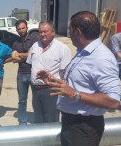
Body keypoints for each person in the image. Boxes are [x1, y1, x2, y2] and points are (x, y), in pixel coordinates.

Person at [37, 11, 120, 146]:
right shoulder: (83, 52)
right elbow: (79, 84)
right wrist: (53, 82)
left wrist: (74, 94)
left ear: (78, 32)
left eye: (70, 31)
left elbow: (114, 101)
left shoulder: (101, 58)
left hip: (84, 128)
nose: (69, 35)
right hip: (73, 124)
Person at [26, 20, 71, 123]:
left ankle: (52, 140)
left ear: (53, 32)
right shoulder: (35, 46)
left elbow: (66, 73)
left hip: (51, 91)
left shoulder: (62, 48)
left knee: (51, 121)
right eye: (40, 32)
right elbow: (30, 64)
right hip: (36, 90)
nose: (42, 34)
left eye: (45, 31)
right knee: (38, 120)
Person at [11, 20, 39, 125]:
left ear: (27, 28)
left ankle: (37, 121)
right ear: (17, 30)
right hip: (21, 74)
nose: (21, 30)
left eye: (23, 28)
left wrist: (20, 55)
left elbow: (31, 56)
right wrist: (26, 55)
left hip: (33, 73)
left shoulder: (34, 40)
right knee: (22, 100)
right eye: (19, 29)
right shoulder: (16, 42)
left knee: (36, 100)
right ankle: (22, 122)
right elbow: (13, 59)